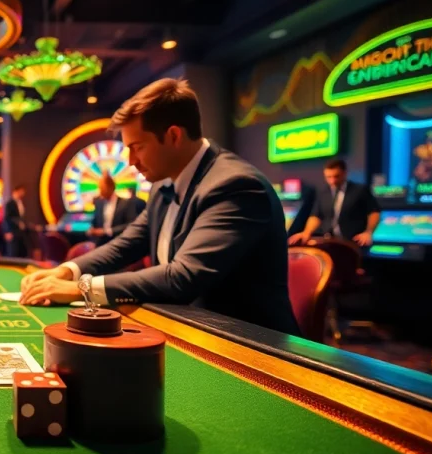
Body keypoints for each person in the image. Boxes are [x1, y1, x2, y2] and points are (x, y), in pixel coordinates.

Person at [20, 78, 300, 335]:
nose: (130, 161)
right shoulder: (163, 185)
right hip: (188, 328)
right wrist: (67, 271)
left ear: (174, 136)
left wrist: (81, 289)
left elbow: (184, 276)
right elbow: (127, 244)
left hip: (248, 345)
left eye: (137, 147)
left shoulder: (235, 186)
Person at [288, 159, 380, 247]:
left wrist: (368, 232)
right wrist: (306, 232)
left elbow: (374, 212)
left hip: (355, 242)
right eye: (328, 177)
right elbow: (316, 216)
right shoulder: (323, 193)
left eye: (336, 176)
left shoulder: (360, 190)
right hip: (329, 241)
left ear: (345, 173)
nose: (332, 181)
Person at [87, 173, 141, 245]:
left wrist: (108, 231)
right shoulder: (99, 203)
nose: (100, 191)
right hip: (101, 244)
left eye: (102, 188)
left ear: (111, 187)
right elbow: (95, 221)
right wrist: (92, 230)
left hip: (120, 242)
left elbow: (130, 224)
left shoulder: (126, 203)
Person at [3, 184, 32, 257]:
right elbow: (7, 218)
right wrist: (7, 231)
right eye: (21, 191)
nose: (23, 193)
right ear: (16, 191)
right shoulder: (9, 204)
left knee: (22, 252)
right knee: (13, 252)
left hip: (21, 231)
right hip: (12, 231)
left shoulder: (20, 203)